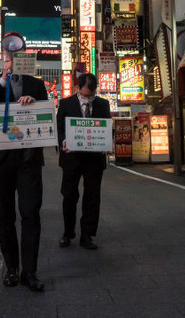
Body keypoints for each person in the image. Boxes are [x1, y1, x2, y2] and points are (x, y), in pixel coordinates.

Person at [0, 40, 50, 292]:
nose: (12, 58)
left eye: (18, 54)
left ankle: (30, 271)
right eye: (8, 55)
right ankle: (11, 268)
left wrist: (35, 102)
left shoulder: (37, 84)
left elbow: (47, 114)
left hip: (28, 157)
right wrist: (3, 78)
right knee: (4, 214)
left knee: (30, 213)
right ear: (1, 57)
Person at [56, 73, 109, 251]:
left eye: (90, 96)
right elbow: (59, 129)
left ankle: (87, 235)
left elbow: (106, 127)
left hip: (94, 159)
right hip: (71, 158)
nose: (87, 99)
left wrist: (106, 143)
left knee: (92, 198)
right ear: (77, 89)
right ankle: (68, 232)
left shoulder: (103, 104)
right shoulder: (66, 103)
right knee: (69, 195)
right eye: (84, 95)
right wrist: (63, 142)